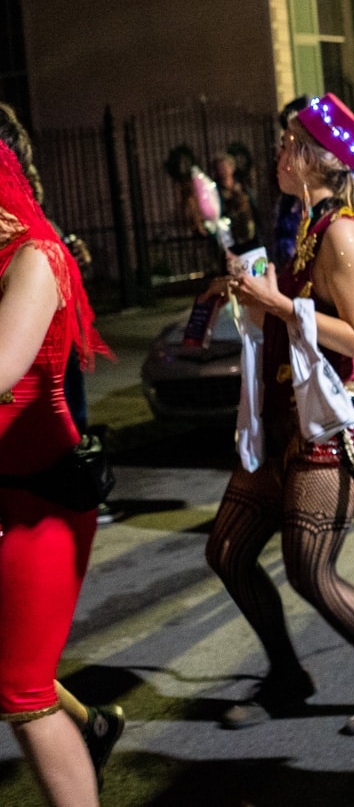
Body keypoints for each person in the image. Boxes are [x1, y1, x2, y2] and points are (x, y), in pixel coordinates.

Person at [207, 94, 354, 736]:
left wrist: (277, 305)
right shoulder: (310, 223)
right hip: (290, 415)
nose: (277, 156)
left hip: (336, 423)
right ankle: (287, 676)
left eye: (286, 146)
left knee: (311, 570)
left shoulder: (340, 232)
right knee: (228, 548)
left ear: (312, 158)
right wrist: (254, 297)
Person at [0, 136, 108, 806]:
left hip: (48, 499)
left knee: (21, 688)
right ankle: (92, 726)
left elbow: (3, 371)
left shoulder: (36, 258)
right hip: (6, 493)